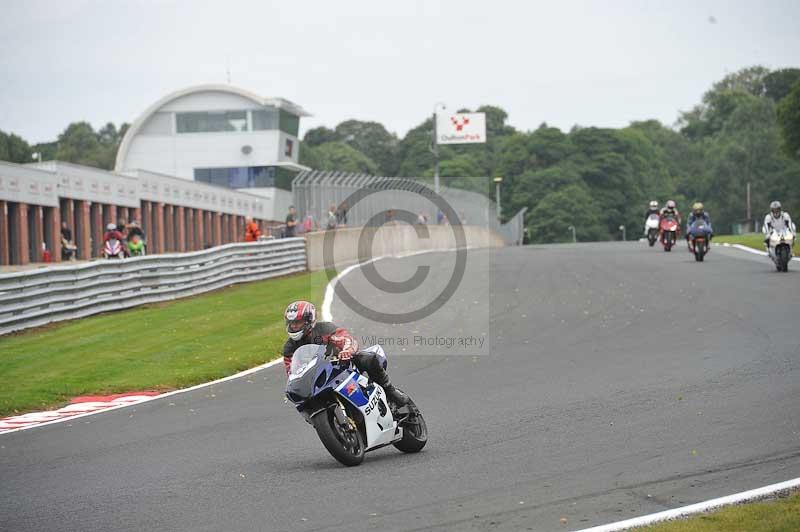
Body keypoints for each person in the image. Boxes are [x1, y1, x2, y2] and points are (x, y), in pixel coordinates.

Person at [282, 301, 409, 405]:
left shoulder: (324, 329)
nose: (294, 327)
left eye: (297, 322)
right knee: (301, 400)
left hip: (342, 365)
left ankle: (390, 391)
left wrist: (346, 351)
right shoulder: (289, 347)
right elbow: (292, 373)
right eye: (291, 323)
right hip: (318, 379)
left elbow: (345, 339)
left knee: (368, 358)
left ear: (309, 320)